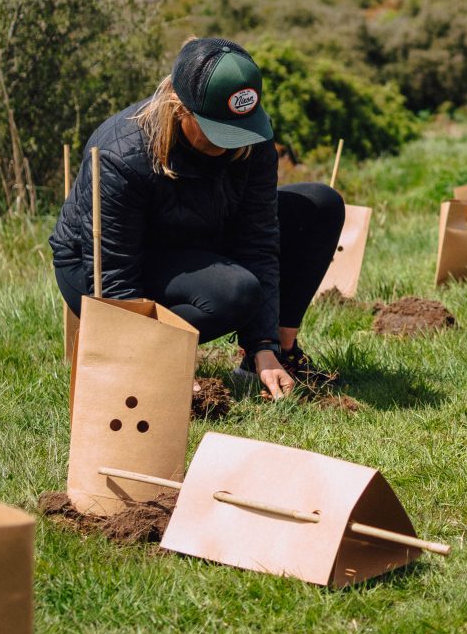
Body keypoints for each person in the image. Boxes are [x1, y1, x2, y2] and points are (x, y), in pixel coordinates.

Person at [50, 37, 346, 400]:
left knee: (319, 205)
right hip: (103, 267)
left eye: (237, 131)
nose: (228, 145)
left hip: (194, 238)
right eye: (214, 131)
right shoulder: (121, 154)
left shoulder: (251, 139)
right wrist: (153, 358)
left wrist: (263, 343)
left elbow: (258, 239)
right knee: (235, 291)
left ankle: (274, 359)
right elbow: (114, 276)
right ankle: (146, 356)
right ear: (179, 108)